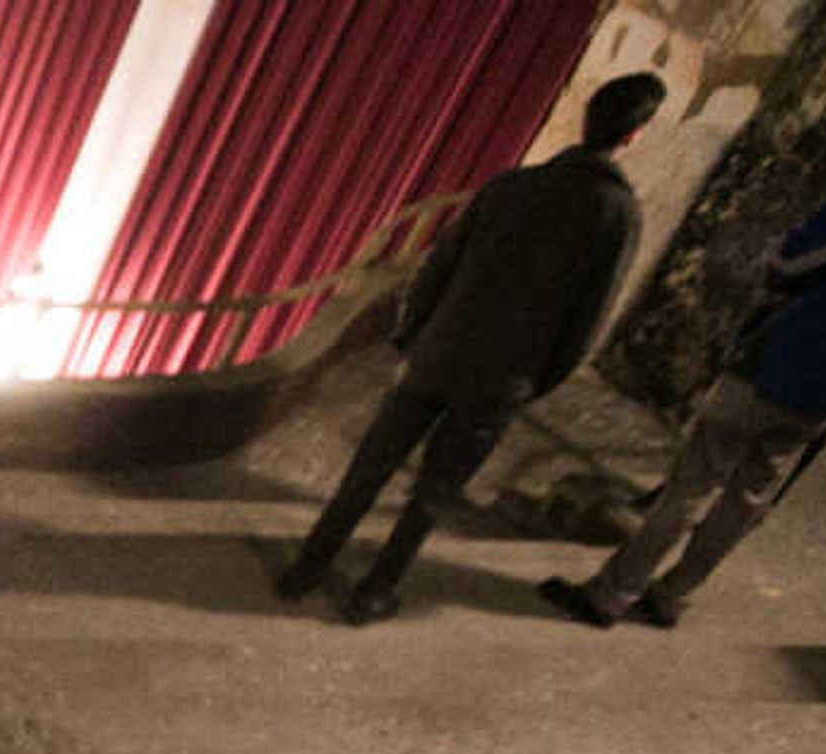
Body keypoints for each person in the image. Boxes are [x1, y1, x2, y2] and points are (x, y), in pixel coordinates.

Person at [546, 81, 826, 630]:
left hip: (788, 356)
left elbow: (792, 266)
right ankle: (672, 598)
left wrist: (789, 251)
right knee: (751, 494)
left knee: (694, 481)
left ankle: (612, 594)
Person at [275, 72, 668, 626]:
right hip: (504, 375)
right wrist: (540, 378)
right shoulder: (616, 214)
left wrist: (416, 333)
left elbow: (440, 265)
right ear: (634, 135)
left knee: (369, 466)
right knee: (435, 491)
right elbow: (588, 318)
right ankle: (374, 591)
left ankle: (307, 567)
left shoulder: (509, 185)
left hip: (440, 348)